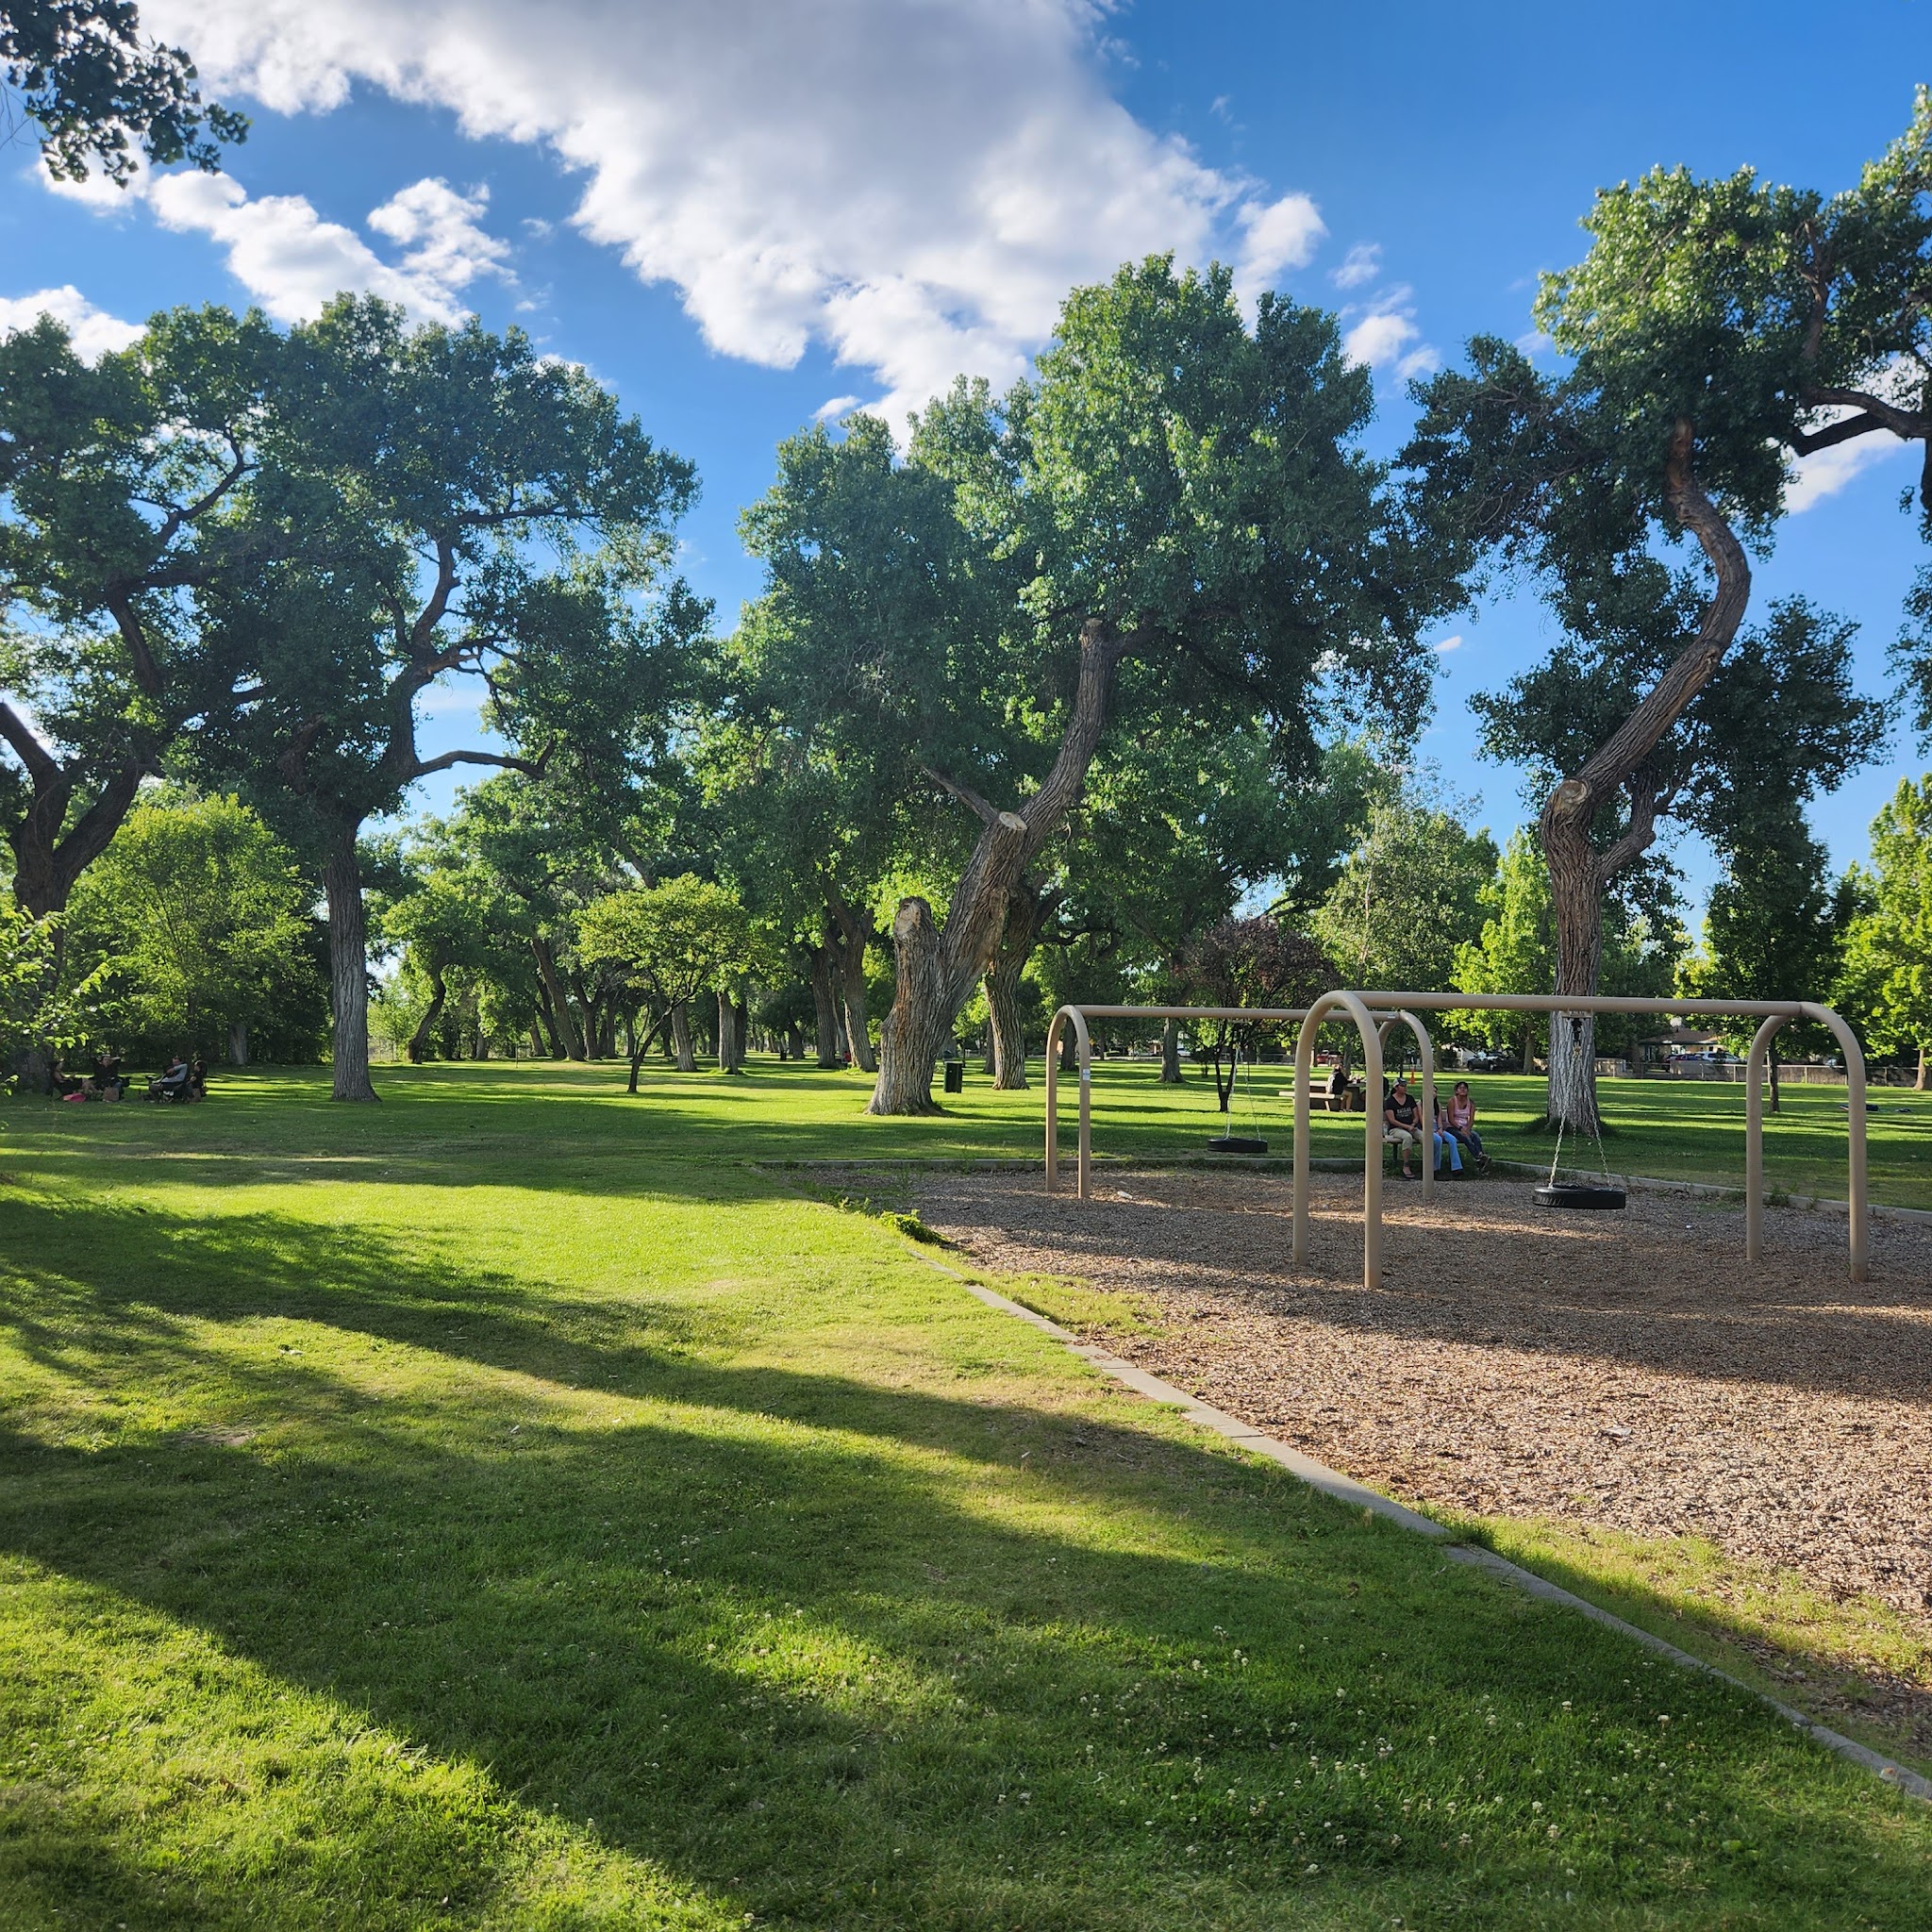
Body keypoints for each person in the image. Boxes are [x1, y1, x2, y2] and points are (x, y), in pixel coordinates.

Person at [1382, 1076, 1424, 1178]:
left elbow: (1416, 1116)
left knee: (1424, 1137)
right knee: (1407, 1137)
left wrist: (1413, 1124)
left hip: (1411, 1126)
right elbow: (1392, 1120)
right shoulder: (1390, 1101)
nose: (1405, 1088)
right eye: (1402, 1086)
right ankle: (1406, 1165)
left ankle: (1429, 1164)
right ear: (1396, 1087)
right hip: (1396, 1129)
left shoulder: (1410, 1098)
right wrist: (1406, 1127)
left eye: (1405, 1085)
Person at [1444, 1079, 1490, 1171]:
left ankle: (1481, 1154)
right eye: (1460, 1088)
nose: (1462, 1090)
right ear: (1456, 1091)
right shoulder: (1452, 1101)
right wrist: (1461, 1129)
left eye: (1465, 1088)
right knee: (1465, 1138)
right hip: (1452, 1127)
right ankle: (1478, 1157)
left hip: (1465, 1127)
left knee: (1475, 1136)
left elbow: (1471, 1119)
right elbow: (1451, 1119)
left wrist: (1468, 1129)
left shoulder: (1471, 1103)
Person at [1430, 1095, 1464, 1175]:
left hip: (1437, 1129)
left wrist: (1440, 1128)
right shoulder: (1420, 1104)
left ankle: (1456, 1168)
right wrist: (1433, 1131)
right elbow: (1422, 1121)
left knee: (1452, 1139)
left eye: (1435, 1091)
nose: (1434, 1093)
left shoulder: (1437, 1104)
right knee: (1438, 1140)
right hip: (1426, 1129)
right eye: (1432, 1091)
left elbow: (1439, 1119)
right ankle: (1435, 1168)